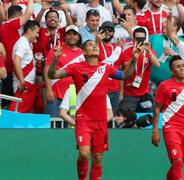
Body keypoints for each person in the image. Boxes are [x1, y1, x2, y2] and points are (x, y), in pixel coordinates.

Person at [48, 39, 139, 180]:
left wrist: (133, 60)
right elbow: (52, 75)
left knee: (97, 157)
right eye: (91, 45)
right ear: (84, 52)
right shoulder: (75, 67)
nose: (95, 46)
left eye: (96, 44)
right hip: (83, 120)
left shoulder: (106, 68)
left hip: (100, 121)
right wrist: (55, 59)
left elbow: (125, 76)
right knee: (84, 154)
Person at [152, 55, 184, 180]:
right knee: (177, 160)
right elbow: (157, 108)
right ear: (172, 71)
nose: (182, 68)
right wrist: (155, 130)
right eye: (178, 67)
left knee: (180, 163)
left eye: (183, 66)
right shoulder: (164, 86)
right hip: (171, 128)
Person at [44, 25, 84, 117]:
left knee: (71, 125)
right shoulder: (56, 50)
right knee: (54, 124)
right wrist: (49, 90)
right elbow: (46, 70)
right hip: (56, 93)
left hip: (74, 95)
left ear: (78, 37)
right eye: (69, 34)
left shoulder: (82, 53)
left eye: (74, 34)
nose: (71, 37)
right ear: (65, 36)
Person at [0, 0, 34, 107]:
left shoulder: (5, 27)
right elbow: (28, 14)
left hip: (9, 71)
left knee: (8, 104)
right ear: (18, 15)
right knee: (12, 106)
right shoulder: (9, 25)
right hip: (12, 73)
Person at [119, 27, 160, 112]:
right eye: (138, 39)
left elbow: (157, 65)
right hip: (129, 94)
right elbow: (123, 74)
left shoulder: (149, 51)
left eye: (142, 38)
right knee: (128, 121)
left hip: (144, 93)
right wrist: (134, 58)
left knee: (146, 120)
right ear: (133, 39)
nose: (140, 41)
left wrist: (149, 51)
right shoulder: (126, 52)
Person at [9, 20, 41, 113]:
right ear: (29, 31)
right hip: (23, 86)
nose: (38, 36)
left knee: (23, 116)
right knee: (17, 116)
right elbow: (16, 61)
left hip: (27, 85)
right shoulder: (22, 43)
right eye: (37, 32)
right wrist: (22, 81)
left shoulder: (26, 43)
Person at [97, 21, 123, 112]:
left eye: (110, 30)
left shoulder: (117, 48)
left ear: (113, 33)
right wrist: (97, 40)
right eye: (105, 30)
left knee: (113, 119)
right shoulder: (95, 46)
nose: (107, 32)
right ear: (100, 31)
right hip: (99, 88)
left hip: (115, 90)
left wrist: (121, 92)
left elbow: (120, 70)